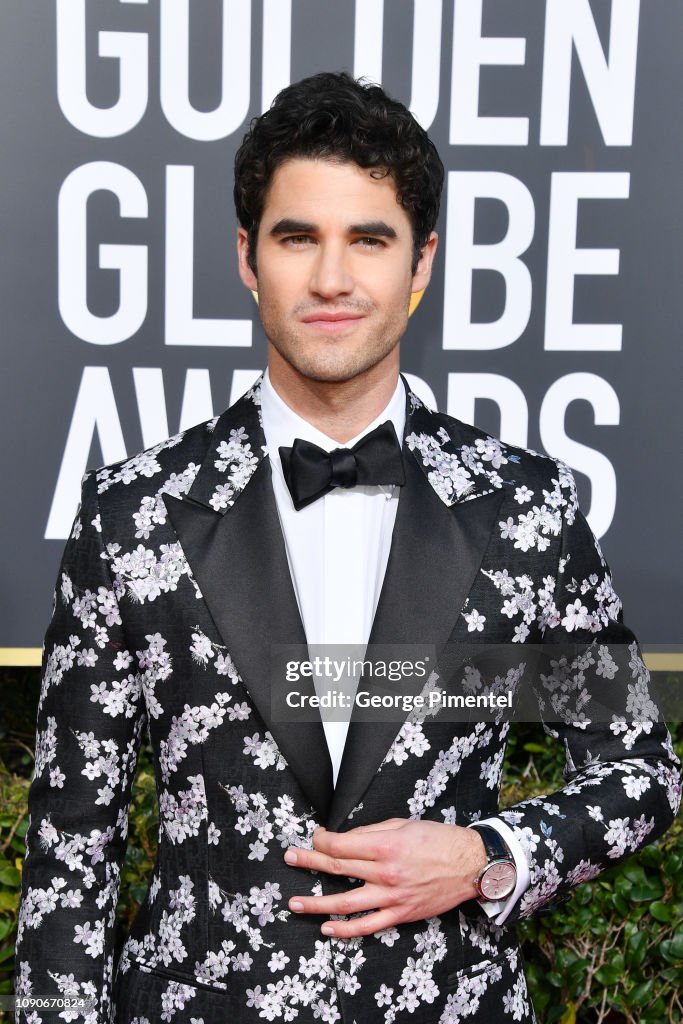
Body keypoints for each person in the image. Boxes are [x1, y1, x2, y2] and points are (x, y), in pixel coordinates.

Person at [14, 71, 681, 1024]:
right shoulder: (135, 514)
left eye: (369, 239)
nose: (332, 278)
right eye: (297, 238)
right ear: (248, 257)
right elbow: (72, 847)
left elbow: (639, 769)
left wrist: (487, 854)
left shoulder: (523, 511)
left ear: (421, 263)